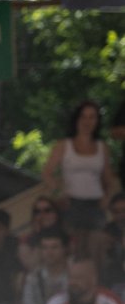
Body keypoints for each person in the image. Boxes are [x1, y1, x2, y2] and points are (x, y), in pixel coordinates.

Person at [42, 101, 118, 237]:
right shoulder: (63, 145)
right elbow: (47, 172)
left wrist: (107, 198)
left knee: (95, 245)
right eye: (83, 117)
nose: (87, 122)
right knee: (72, 244)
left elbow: (108, 177)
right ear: (76, 119)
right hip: (71, 203)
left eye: (92, 117)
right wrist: (57, 192)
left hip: (96, 204)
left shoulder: (102, 147)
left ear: (97, 121)